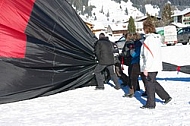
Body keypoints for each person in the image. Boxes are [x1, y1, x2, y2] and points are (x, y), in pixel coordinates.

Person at [140, 20, 172, 109]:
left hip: (150, 66)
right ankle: (166, 97)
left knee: (149, 85)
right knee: (153, 82)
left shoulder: (148, 40)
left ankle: (151, 104)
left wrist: (146, 68)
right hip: (156, 64)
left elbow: (148, 55)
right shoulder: (156, 38)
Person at [123, 33, 146, 98]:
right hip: (142, 63)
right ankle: (147, 91)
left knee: (132, 78)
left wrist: (131, 50)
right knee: (144, 78)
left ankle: (131, 92)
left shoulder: (137, 44)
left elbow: (135, 54)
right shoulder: (143, 43)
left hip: (135, 62)